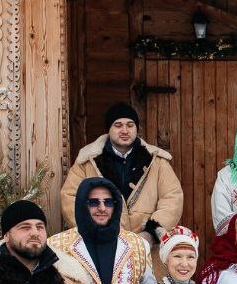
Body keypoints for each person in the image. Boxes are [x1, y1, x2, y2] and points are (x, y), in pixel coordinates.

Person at [60, 102, 183, 249]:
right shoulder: (87, 162)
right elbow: (69, 198)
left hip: (146, 248)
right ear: (108, 129)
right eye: (118, 125)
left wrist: (150, 233)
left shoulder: (157, 161)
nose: (125, 130)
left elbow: (172, 198)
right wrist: (97, 229)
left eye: (130, 125)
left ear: (137, 128)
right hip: (100, 245)